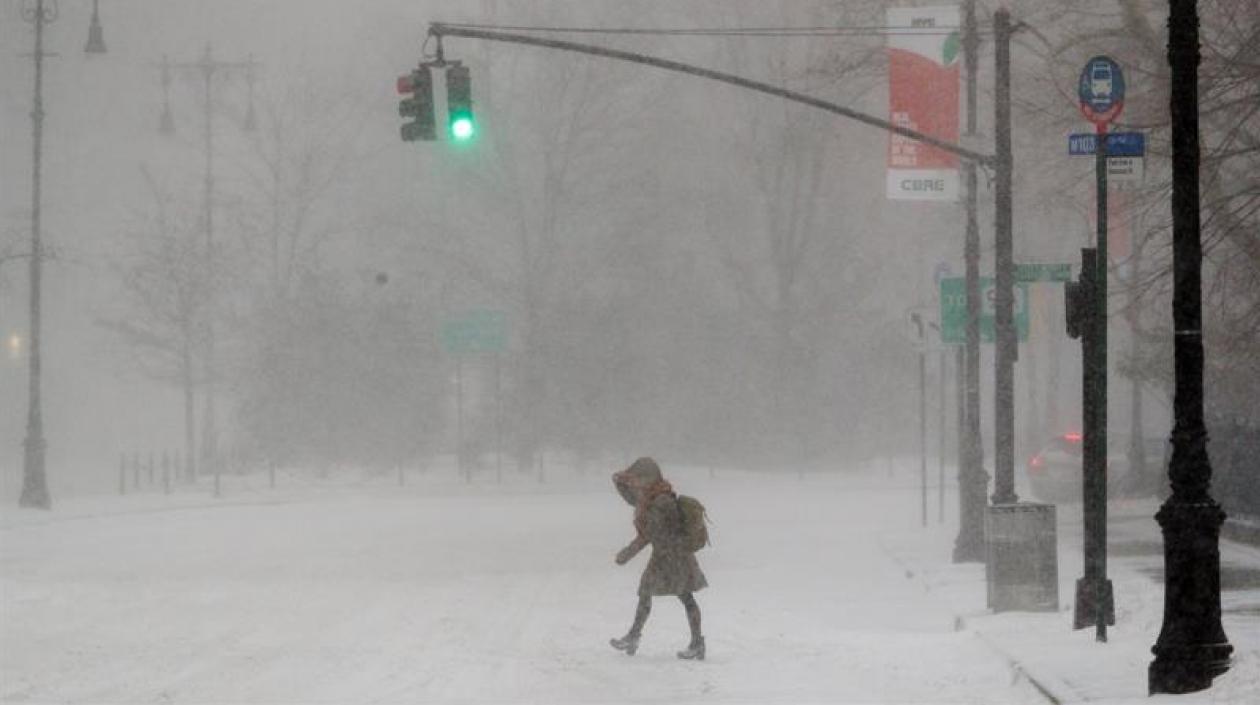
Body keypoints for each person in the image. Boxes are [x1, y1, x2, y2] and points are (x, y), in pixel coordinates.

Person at [609, 457, 707, 660]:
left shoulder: (662, 500)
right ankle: (634, 636)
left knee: (684, 596)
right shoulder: (650, 498)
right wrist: (619, 479)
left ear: (650, 478)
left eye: (640, 477)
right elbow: (629, 497)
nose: (637, 482)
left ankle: (697, 643)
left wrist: (628, 552)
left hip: (675, 557)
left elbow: (651, 534)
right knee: (649, 592)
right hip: (666, 556)